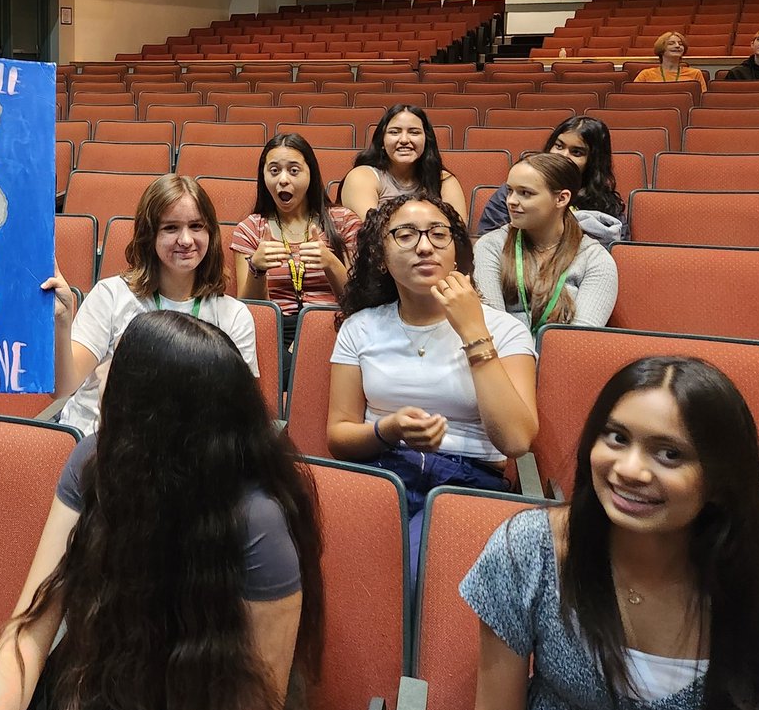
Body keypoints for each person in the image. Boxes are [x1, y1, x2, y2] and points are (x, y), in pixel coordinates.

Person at [0, 312, 329, 710]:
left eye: (116, 359)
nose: (100, 370)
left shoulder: (258, 517)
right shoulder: (93, 462)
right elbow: (30, 630)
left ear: (149, 410)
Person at [460, 356, 759, 710]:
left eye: (670, 454)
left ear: (720, 481)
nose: (629, 469)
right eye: (617, 438)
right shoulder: (529, 552)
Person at [328, 191, 537, 574]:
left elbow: (516, 440)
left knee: (409, 570)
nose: (424, 247)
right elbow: (338, 435)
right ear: (380, 255)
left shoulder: (504, 330)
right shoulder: (361, 328)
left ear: (455, 251)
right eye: (405, 235)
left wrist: (473, 331)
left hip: (468, 482)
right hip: (382, 472)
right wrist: (387, 430)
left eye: (438, 234)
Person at [48, 173, 258, 436]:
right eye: (170, 228)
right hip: (99, 442)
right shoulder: (111, 295)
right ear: (150, 235)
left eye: (196, 226)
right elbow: (63, 388)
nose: (185, 240)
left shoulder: (234, 316)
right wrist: (63, 322)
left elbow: (241, 413)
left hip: (188, 451)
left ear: (211, 233)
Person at [231, 134, 361, 378]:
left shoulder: (343, 221)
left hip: (333, 326)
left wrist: (330, 262)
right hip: (273, 333)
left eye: (293, 171)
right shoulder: (250, 229)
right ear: (263, 177)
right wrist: (257, 270)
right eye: (274, 171)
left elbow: (360, 301)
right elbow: (248, 310)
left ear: (310, 174)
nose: (283, 180)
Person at [473, 152, 618, 330]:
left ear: (561, 198)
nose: (511, 201)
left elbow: (580, 340)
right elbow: (491, 327)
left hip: (563, 355)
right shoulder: (490, 246)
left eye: (525, 193)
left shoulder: (596, 260)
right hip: (503, 354)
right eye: (510, 190)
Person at [476, 115, 628, 243]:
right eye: (559, 146)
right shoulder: (512, 193)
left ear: (593, 161)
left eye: (576, 152)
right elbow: (489, 241)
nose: (562, 156)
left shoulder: (607, 206)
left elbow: (618, 253)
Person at [340, 103, 467, 222]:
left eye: (414, 132)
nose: (404, 140)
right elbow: (370, 233)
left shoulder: (444, 180)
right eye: (394, 132)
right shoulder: (362, 176)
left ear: (426, 141)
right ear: (382, 141)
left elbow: (458, 235)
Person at [632, 32, 707, 90]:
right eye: (671, 43)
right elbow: (634, 97)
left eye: (681, 44)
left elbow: (700, 100)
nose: (677, 46)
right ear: (661, 49)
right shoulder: (645, 74)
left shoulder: (695, 73)